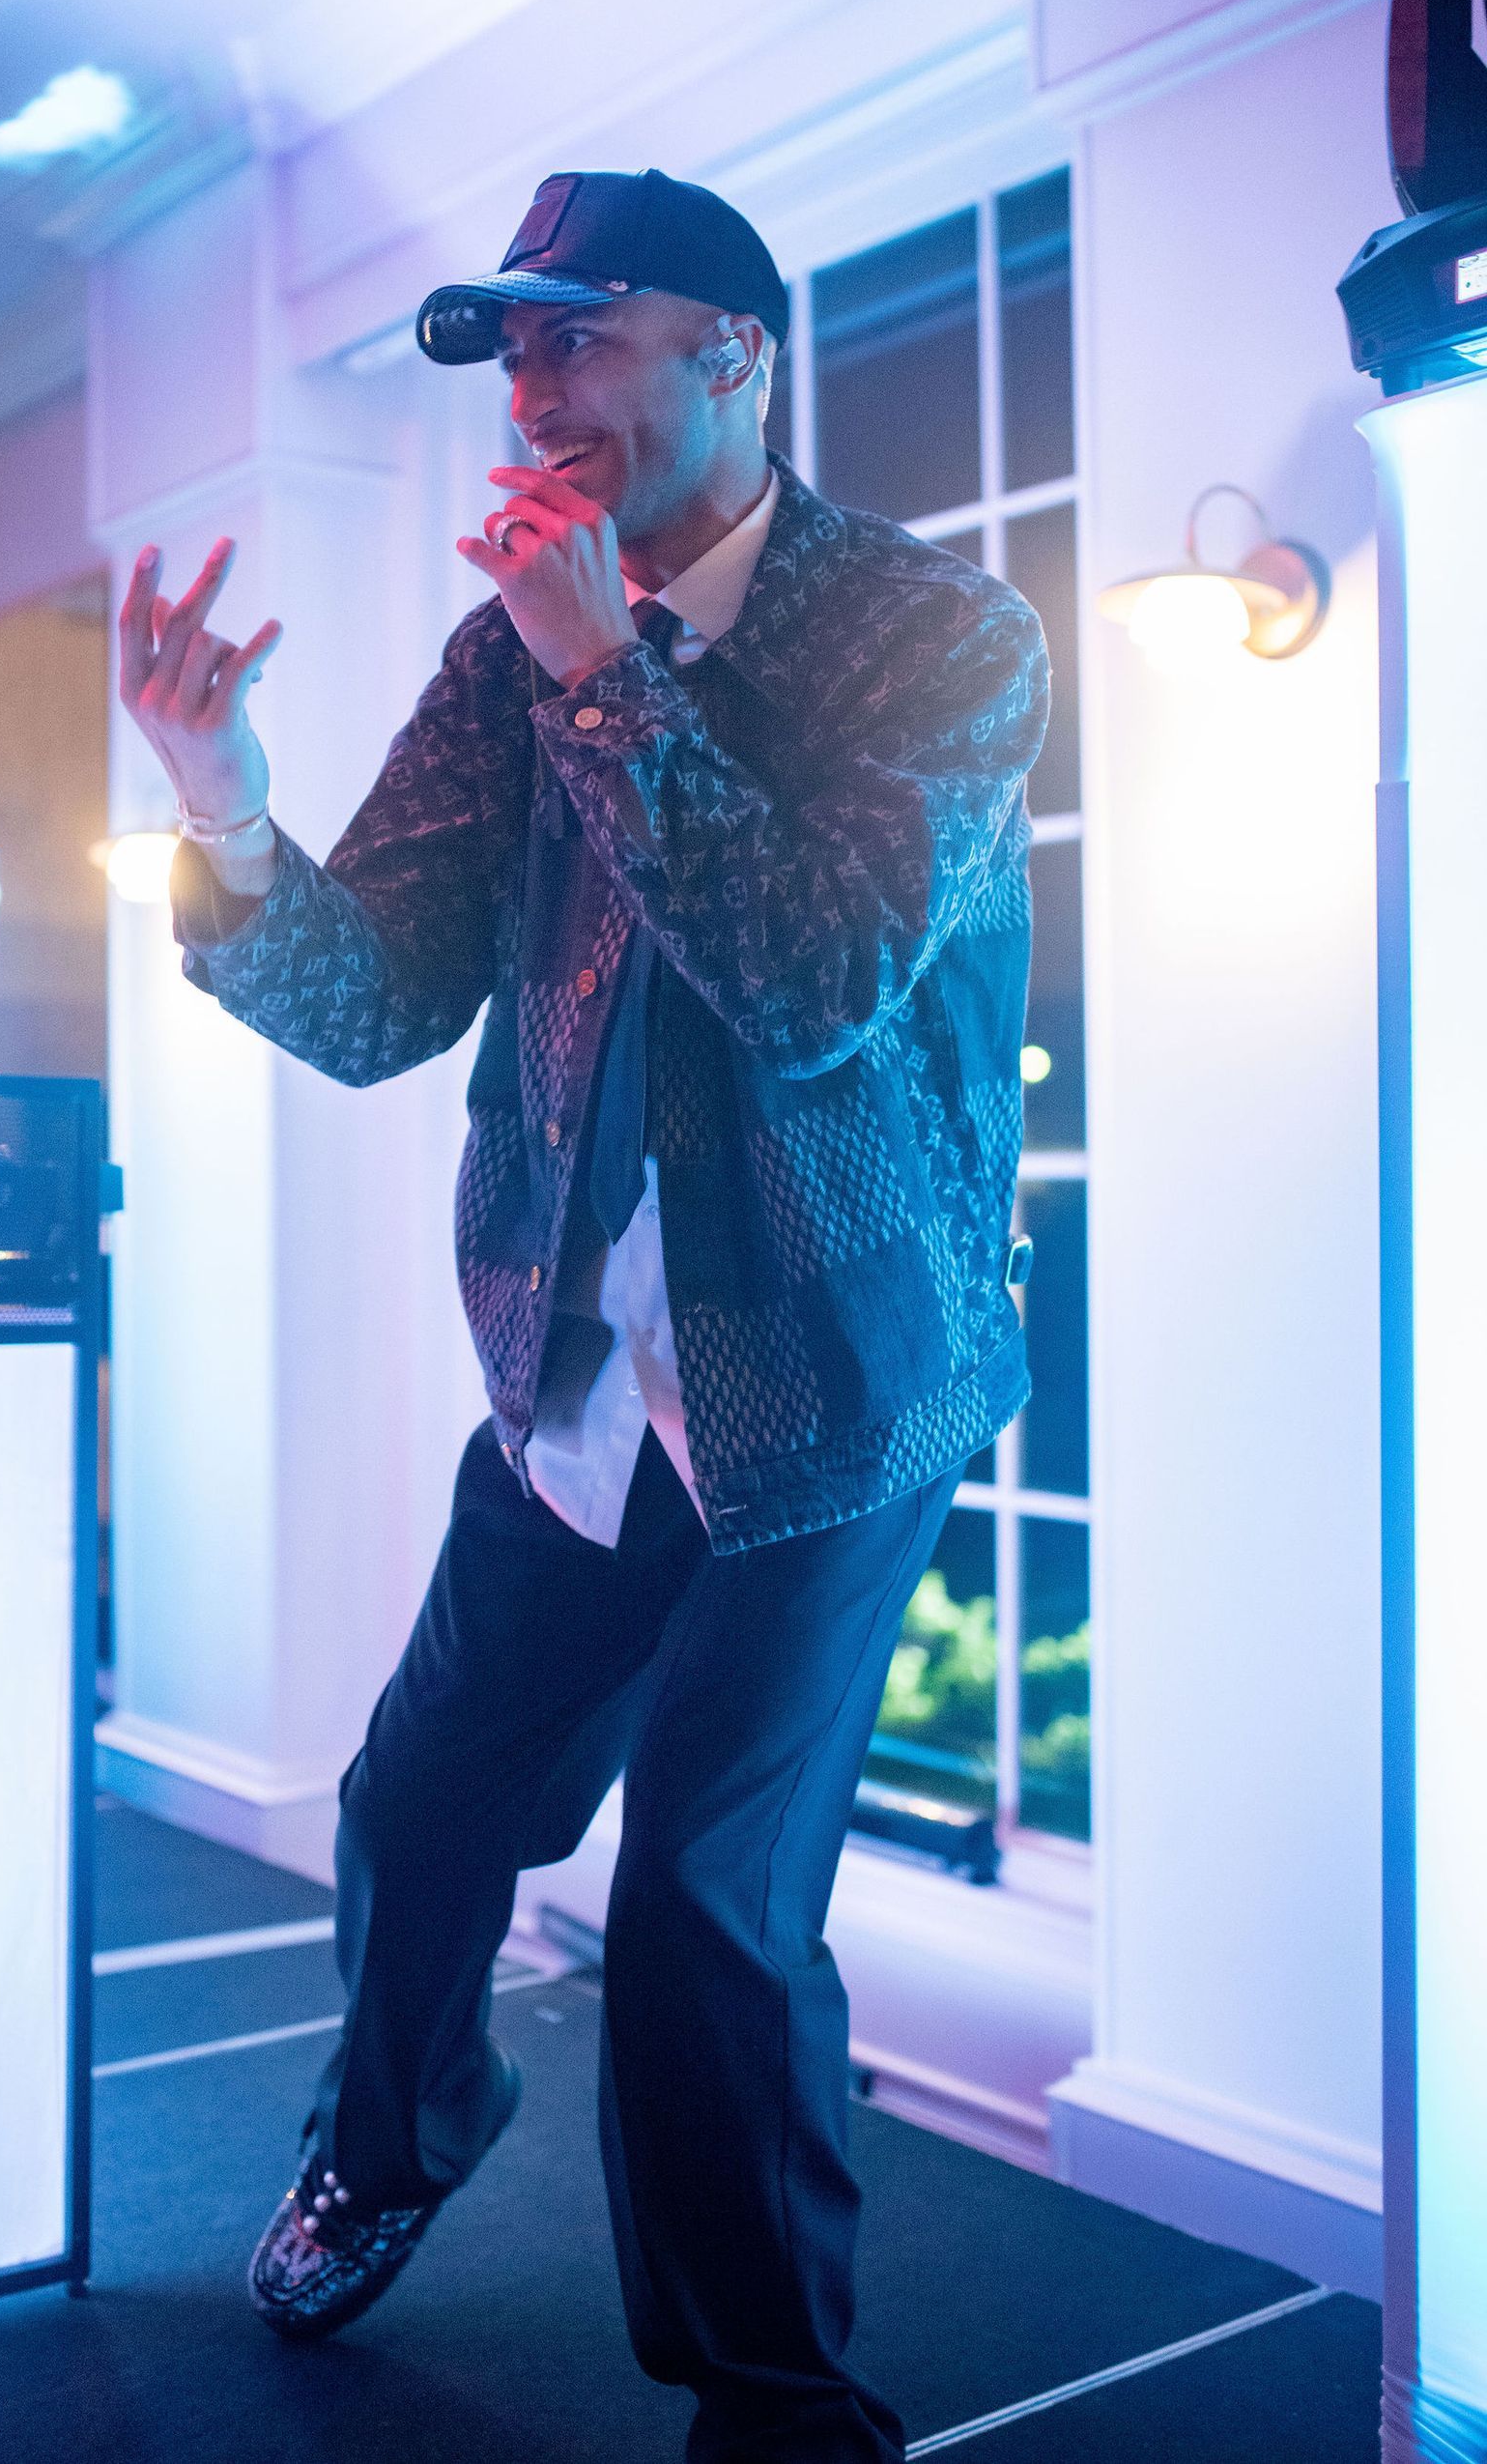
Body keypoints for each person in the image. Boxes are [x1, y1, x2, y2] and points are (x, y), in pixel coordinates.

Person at [118, 167, 1049, 2464]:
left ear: (732, 354)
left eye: (580, 338)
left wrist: (605, 674)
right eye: (511, 352)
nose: (531, 393)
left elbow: (811, 982)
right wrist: (222, 804)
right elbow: (375, 1001)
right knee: (421, 1796)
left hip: (836, 1383)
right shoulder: (507, 657)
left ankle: (778, 2408)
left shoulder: (937, 634)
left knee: (706, 1905)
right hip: (578, 1377)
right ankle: (398, 2132)